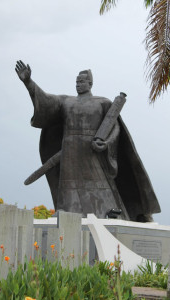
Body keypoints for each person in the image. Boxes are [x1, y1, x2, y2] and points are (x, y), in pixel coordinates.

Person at [15, 60, 161, 222]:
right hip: (70, 150)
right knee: (69, 185)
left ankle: (108, 211)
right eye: (77, 82)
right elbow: (46, 101)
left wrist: (106, 143)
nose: (78, 85)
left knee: (100, 185)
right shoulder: (66, 102)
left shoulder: (103, 102)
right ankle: (66, 212)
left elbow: (115, 128)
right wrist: (29, 83)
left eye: (82, 82)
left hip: (92, 152)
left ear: (90, 83)